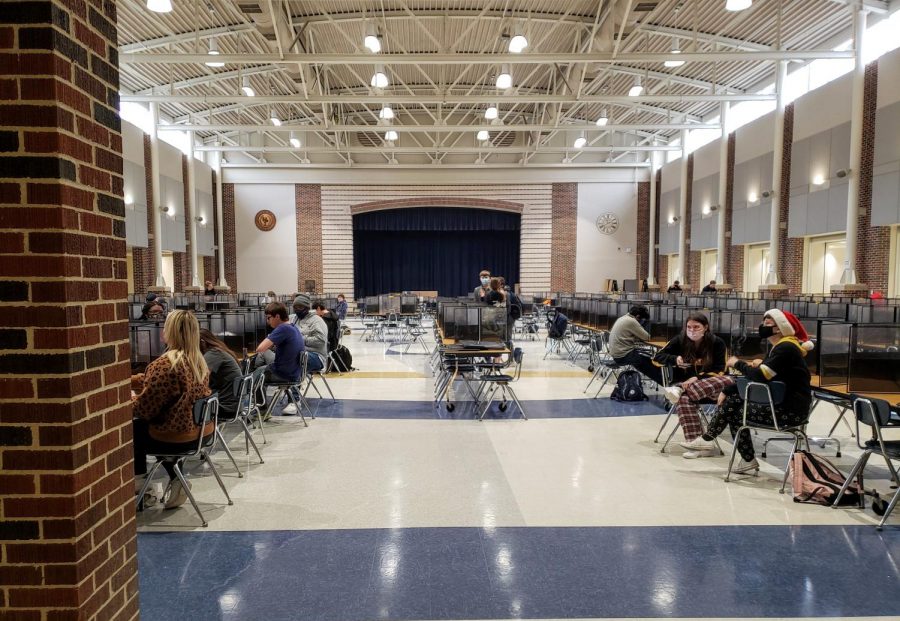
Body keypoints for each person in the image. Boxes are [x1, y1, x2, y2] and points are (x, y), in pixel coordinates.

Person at [679, 309, 814, 473]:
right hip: (782, 405)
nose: (763, 326)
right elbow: (759, 377)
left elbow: (760, 375)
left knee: (736, 413)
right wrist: (728, 390)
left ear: (779, 328)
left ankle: (717, 443)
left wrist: (737, 363)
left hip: (790, 411)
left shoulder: (785, 348)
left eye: (768, 323)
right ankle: (716, 443)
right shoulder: (780, 347)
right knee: (734, 401)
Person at [132, 310, 212, 510]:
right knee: (159, 421)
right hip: (199, 433)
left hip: (174, 437)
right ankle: (177, 481)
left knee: (136, 428)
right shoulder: (198, 362)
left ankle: (142, 487)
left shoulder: (165, 364)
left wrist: (131, 398)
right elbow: (168, 388)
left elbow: (144, 409)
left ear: (170, 331)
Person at [653, 313, 731, 455]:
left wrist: (697, 378)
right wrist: (674, 359)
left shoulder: (717, 342)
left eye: (696, 327)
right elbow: (656, 358)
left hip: (709, 388)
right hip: (686, 386)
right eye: (689, 327)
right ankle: (698, 445)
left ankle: (680, 390)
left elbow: (721, 370)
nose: (692, 330)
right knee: (684, 400)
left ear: (705, 327)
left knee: (683, 395)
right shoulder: (679, 339)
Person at [254, 302, 305, 415]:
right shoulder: (292, 327)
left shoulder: (282, 328)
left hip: (284, 373)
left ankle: (260, 410)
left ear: (277, 316)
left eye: (269, 318)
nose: (268, 321)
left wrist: (271, 340)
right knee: (262, 366)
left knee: (256, 375)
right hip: (294, 372)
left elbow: (260, 348)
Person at [198, 329, 242, 419]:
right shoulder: (219, 350)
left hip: (225, 407)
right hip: (234, 404)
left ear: (202, 342)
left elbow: (199, 379)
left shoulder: (213, 354)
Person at [608, 305, 656, 379]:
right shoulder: (632, 321)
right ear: (637, 316)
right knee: (649, 361)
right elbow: (647, 337)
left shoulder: (622, 318)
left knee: (643, 360)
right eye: (642, 320)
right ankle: (660, 380)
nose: (641, 322)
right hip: (623, 356)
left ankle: (636, 379)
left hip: (616, 354)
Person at [290, 294, 328, 373]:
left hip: (316, 356)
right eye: (295, 307)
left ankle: (291, 382)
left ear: (307, 308)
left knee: (289, 356)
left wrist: (300, 339)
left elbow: (320, 341)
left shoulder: (316, 320)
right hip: (299, 352)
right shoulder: (294, 319)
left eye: (300, 307)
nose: (297, 309)